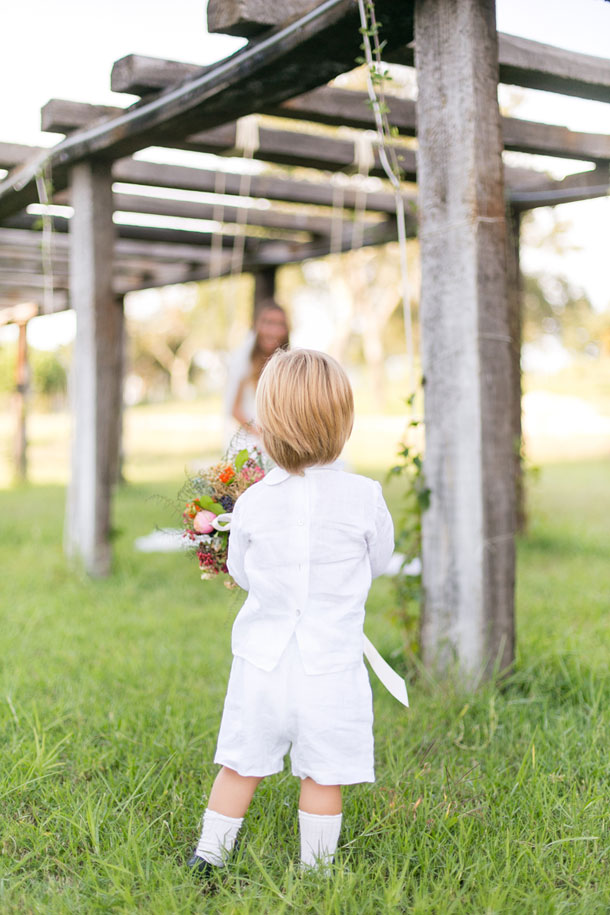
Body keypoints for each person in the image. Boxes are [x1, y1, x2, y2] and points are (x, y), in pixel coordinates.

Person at [188, 348, 395, 874]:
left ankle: (209, 859)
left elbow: (242, 569)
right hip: (332, 666)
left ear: (267, 425)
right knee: (323, 775)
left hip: (262, 662)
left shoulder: (253, 503)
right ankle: (317, 871)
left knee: (240, 764)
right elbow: (378, 561)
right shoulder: (365, 497)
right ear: (343, 422)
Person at [224, 301, 289, 450]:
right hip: (251, 435)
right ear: (257, 325)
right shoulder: (243, 360)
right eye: (268, 323)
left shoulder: (290, 362)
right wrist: (262, 436)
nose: (273, 330)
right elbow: (234, 409)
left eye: (280, 324)